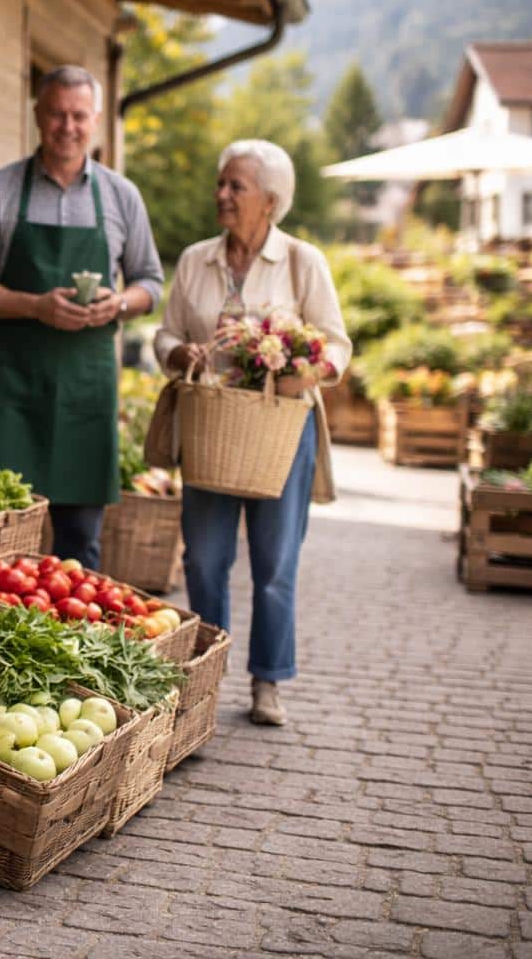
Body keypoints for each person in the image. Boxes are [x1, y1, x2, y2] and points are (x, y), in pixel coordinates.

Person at [153, 139, 352, 727]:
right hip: (214, 430)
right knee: (206, 562)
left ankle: (267, 681)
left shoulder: (301, 262)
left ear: (270, 200)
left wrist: (304, 373)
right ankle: (205, 679)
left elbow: (336, 343)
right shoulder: (195, 260)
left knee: (274, 563)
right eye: (221, 183)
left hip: (280, 435)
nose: (222, 195)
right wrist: (177, 351)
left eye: (235, 186)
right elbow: (162, 337)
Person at [0, 65, 165, 567]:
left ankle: (71, 645)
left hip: (85, 393)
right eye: (56, 114)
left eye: (78, 116)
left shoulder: (120, 196)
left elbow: (150, 282)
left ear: (94, 120)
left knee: (80, 549)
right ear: (37, 115)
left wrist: (119, 303)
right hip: (10, 389)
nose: (67, 127)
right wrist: (34, 306)